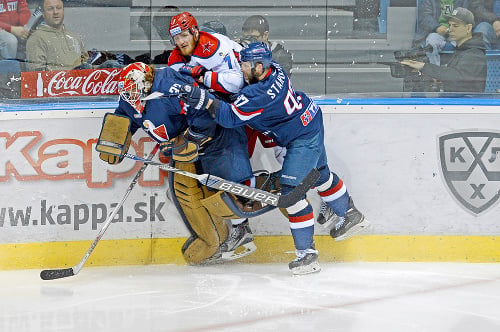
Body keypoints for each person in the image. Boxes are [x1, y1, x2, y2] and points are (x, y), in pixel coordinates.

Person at [179, 42, 370, 275]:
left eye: (246, 65)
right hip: (310, 119)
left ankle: (307, 256)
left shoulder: (260, 93)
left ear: (259, 66)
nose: (241, 69)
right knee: (320, 174)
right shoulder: (274, 69)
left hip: (301, 138)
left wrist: (203, 98)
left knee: (290, 195)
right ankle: (351, 214)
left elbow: (229, 117)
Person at [97, 62, 259, 264]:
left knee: (219, 186)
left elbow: (206, 112)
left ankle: (239, 231)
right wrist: (117, 134)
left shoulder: (170, 90)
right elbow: (125, 112)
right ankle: (213, 242)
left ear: (147, 83)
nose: (131, 97)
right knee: (185, 190)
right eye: (127, 92)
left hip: (216, 139)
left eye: (134, 91)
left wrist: (187, 138)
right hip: (185, 150)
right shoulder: (134, 96)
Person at [402, 7, 487, 92]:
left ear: (468, 28)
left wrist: (423, 66)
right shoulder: (462, 50)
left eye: (455, 26)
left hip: (468, 103)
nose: (450, 29)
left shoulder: (475, 53)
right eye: (449, 25)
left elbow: (456, 76)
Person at [25, 0, 121, 71]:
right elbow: (37, 75)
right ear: (43, 14)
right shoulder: (36, 38)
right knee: (84, 68)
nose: (55, 12)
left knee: (112, 65)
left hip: (84, 84)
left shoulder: (73, 37)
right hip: (60, 87)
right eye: (50, 9)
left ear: (63, 10)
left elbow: (86, 62)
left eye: (58, 8)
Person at [167, 11, 244, 95]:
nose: (181, 42)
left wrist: (203, 76)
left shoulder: (215, 45)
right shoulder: (175, 56)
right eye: (177, 38)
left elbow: (237, 84)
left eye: (184, 36)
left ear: (195, 33)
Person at [415, 0, 460, 65]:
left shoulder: (463, 1)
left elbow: (467, 16)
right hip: (435, 31)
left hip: (456, 31)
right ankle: (434, 69)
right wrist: (436, 27)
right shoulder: (429, 1)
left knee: (465, 43)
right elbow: (424, 17)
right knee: (432, 44)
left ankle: (457, 69)